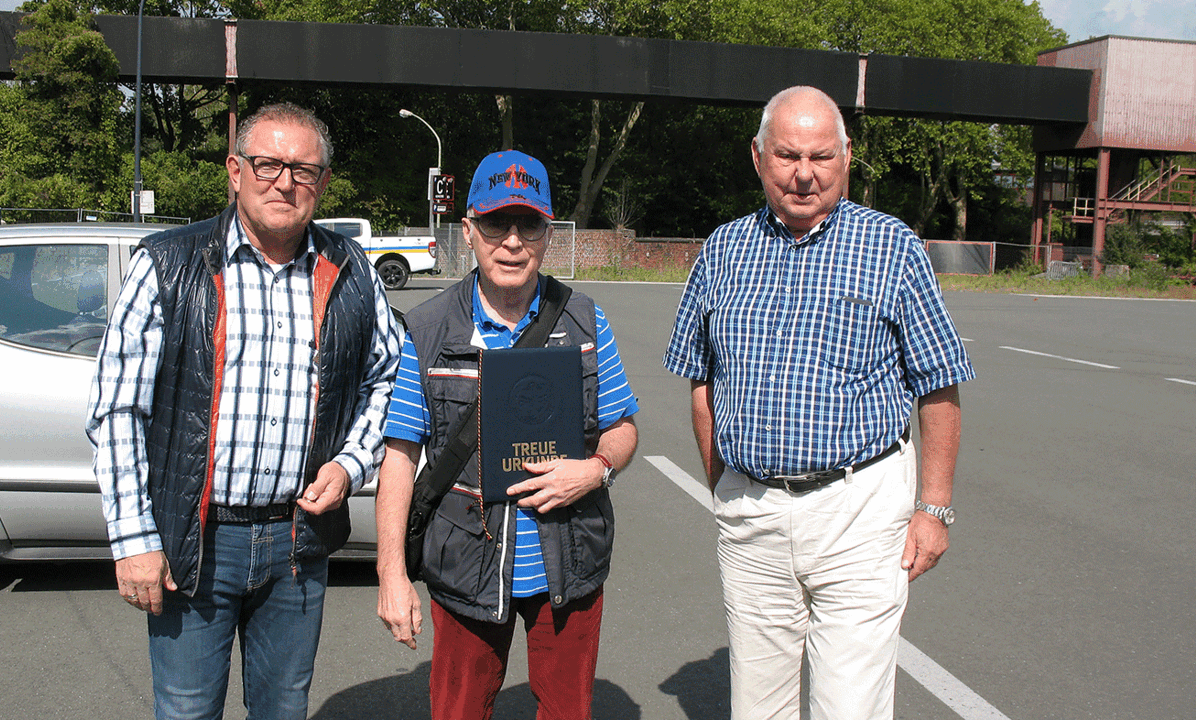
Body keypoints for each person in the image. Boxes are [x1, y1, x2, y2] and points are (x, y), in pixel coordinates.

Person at [663, 86, 976, 720]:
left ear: (846, 156)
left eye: (821, 156)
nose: (804, 173)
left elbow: (940, 383)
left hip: (859, 510)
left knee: (850, 707)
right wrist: (724, 485)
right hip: (751, 512)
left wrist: (934, 508)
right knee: (757, 705)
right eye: (787, 155)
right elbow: (701, 379)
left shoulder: (892, 248)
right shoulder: (722, 250)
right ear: (758, 157)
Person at [87, 102, 401, 720]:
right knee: (186, 710)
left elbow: (389, 375)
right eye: (267, 165)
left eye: (302, 170)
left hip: (298, 543)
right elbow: (118, 409)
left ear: (322, 183)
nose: (284, 183)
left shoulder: (351, 269)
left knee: (283, 708)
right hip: (195, 541)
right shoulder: (166, 263)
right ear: (236, 171)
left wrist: (351, 463)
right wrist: (133, 538)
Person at [375, 150, 640, 720]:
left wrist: (595, 470)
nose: (513, 242)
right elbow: (399, 456)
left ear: (550, 234)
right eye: (496, 223)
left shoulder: (586, 321)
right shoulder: (427, 329)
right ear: (469, 230)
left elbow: (621, 427)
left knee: (568, 713)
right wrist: (391, 573)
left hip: (568, 562)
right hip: (465, 569)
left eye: (529, 224)